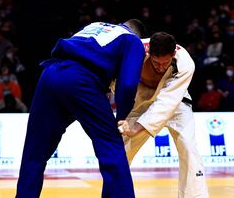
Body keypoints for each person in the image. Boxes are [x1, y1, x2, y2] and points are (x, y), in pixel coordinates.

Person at [15, 19, 146, 198]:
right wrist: (121, 117)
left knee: (35, 151)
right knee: (111, 145)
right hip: (81, 81)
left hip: (50, 73)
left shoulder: (95, 25)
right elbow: (129, 84)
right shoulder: (133, 40)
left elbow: (89, 52)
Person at [117, 32, 209, 198]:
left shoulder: (185, 63)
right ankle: (117, 194)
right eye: (155, 63)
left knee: (188, 146)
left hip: (176, 102)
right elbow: (117, 81)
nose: (160, 67)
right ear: (149, 53)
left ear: (173, 54)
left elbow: (167, 103)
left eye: (164, 63)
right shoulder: (134, 50)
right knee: (121, 149)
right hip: (140, 101)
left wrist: (137, 127)